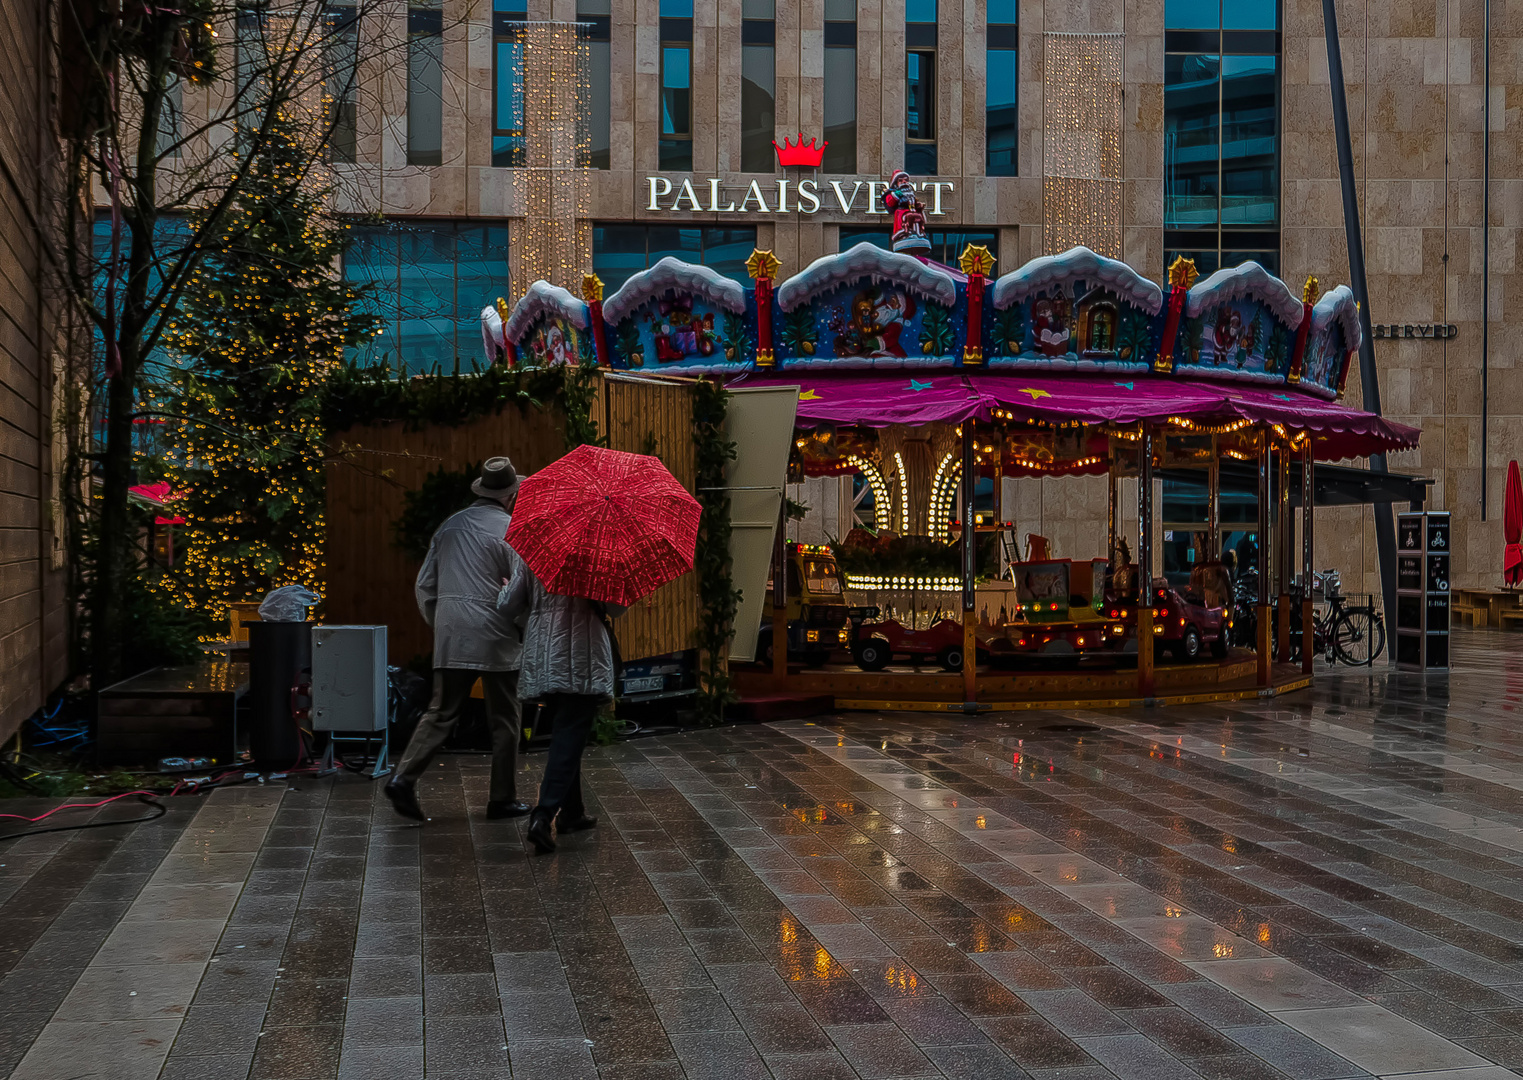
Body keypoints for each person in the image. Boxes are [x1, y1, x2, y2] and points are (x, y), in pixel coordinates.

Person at [384, 457, 531, 822]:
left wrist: (442, 623)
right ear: (511, 496)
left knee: (441, 712)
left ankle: (404, 776)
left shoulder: (449, 527)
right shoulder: (509, 529)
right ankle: (501, 798)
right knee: (505, 717)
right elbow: (518, 588)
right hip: (495, 630)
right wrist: (522, 625)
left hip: (451, 629)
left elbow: (425, 585)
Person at [514, 572, 623, 853]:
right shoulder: (600, 555)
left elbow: (508, 605)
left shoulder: (535, 552)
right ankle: (543, 815)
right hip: (583, 652)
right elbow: (616, 608)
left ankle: (572, 813)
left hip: (545, 652)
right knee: (569, 733)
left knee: (566, 733)